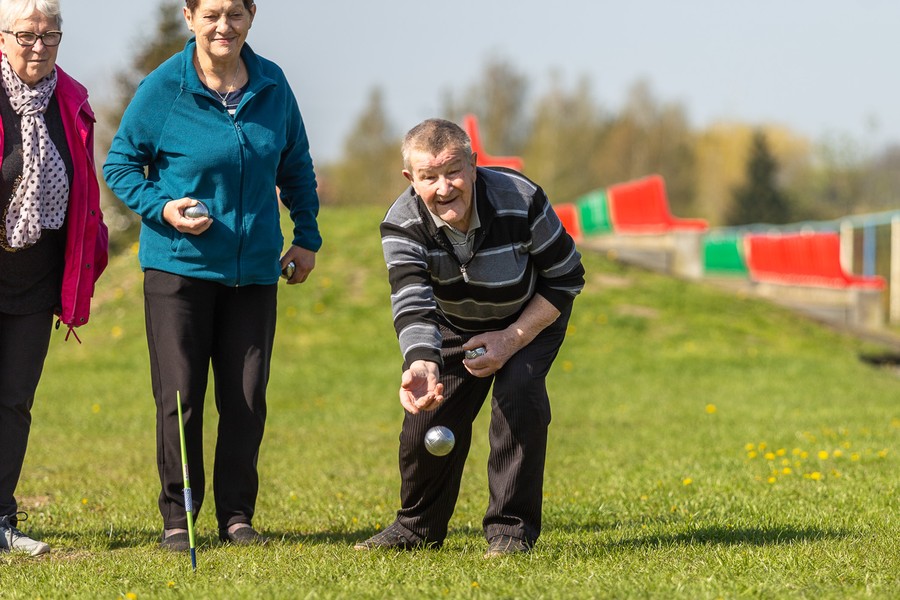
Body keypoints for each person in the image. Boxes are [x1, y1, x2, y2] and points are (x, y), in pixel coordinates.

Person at [103, 0, 320, 551]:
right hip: (179, 271)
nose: (224, 26)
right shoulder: (164, 88)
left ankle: (237, 517)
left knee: (246, 398)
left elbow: (295, 164)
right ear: (190, 16)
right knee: (180, 397)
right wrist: (163, 208)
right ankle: (179, 518)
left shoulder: (273, 84)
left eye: (235, 14)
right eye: (212, 14)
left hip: (254, 274)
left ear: (252, 16)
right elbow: (120, 165)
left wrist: (306, 235)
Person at [355, 118, 584, 557]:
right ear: (410, 179)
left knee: (518, 395)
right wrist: (421, 362)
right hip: (453, 325)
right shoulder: (402, 223)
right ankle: (417, 529)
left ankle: (510, 532)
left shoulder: (520, 198)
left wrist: (511, 338)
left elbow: (566, 277)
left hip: (529, 314)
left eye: (453, 171)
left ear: (474, 165)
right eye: (429, 177)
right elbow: (412, 300)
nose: (444, 188)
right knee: (425, 425)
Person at [0, 0, 108, 557]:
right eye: (26, 35)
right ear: (2, 38)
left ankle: (1, 518)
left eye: (50, 35)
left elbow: (85, 191)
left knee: (14, 401)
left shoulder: (69, 99)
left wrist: (92, 250)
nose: (38, 46)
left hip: (36, 283)